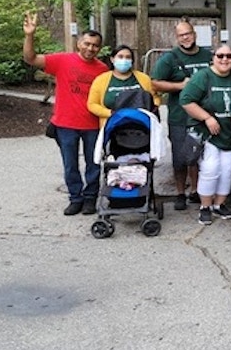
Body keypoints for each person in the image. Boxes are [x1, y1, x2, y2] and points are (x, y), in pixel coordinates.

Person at [23, 12, 108, 215]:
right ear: (79, 43)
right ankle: (75, 198)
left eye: (95, 45)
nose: (90, 48)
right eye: (87, 43)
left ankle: (90, 199)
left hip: (93, 125)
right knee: (70, 164)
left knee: (94, 164)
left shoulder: (103, 69)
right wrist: (29, 35)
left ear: (99, 48)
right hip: (66, 124)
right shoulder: (62, 60)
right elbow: (31, 58)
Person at [151, 19, 212, 210]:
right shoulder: (169, 59)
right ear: (176, 38)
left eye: (188, 33)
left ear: (195, 34)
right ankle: (180, 193)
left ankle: (195, 190)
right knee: (180, 157)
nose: (186, 37)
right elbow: (155, 83)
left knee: (199, 156)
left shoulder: (208, 55)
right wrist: (180, 86)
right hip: (180, 116)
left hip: (204, 116)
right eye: (181, 35)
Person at [180, 44, 231, 225]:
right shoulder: (204, 77)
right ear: (213, 57)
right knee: (210, 169)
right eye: (220, 56)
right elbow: (186, 100)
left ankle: (219, 204)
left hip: (228, 134)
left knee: (227, 170)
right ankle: (205, 206)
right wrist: (207, 118)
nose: (225, 59)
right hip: (207, 134)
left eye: (229, 56)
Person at [87, 45, 159, 125]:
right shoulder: (101, 80)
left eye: (128, 57)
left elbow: (155, 98)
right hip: (111, 126)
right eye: (120, 57)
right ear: (112, 59)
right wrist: (111, 113)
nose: (124, 60)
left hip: (141, 127)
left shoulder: (144, 79)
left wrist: (151, 110)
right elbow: (92, 104)